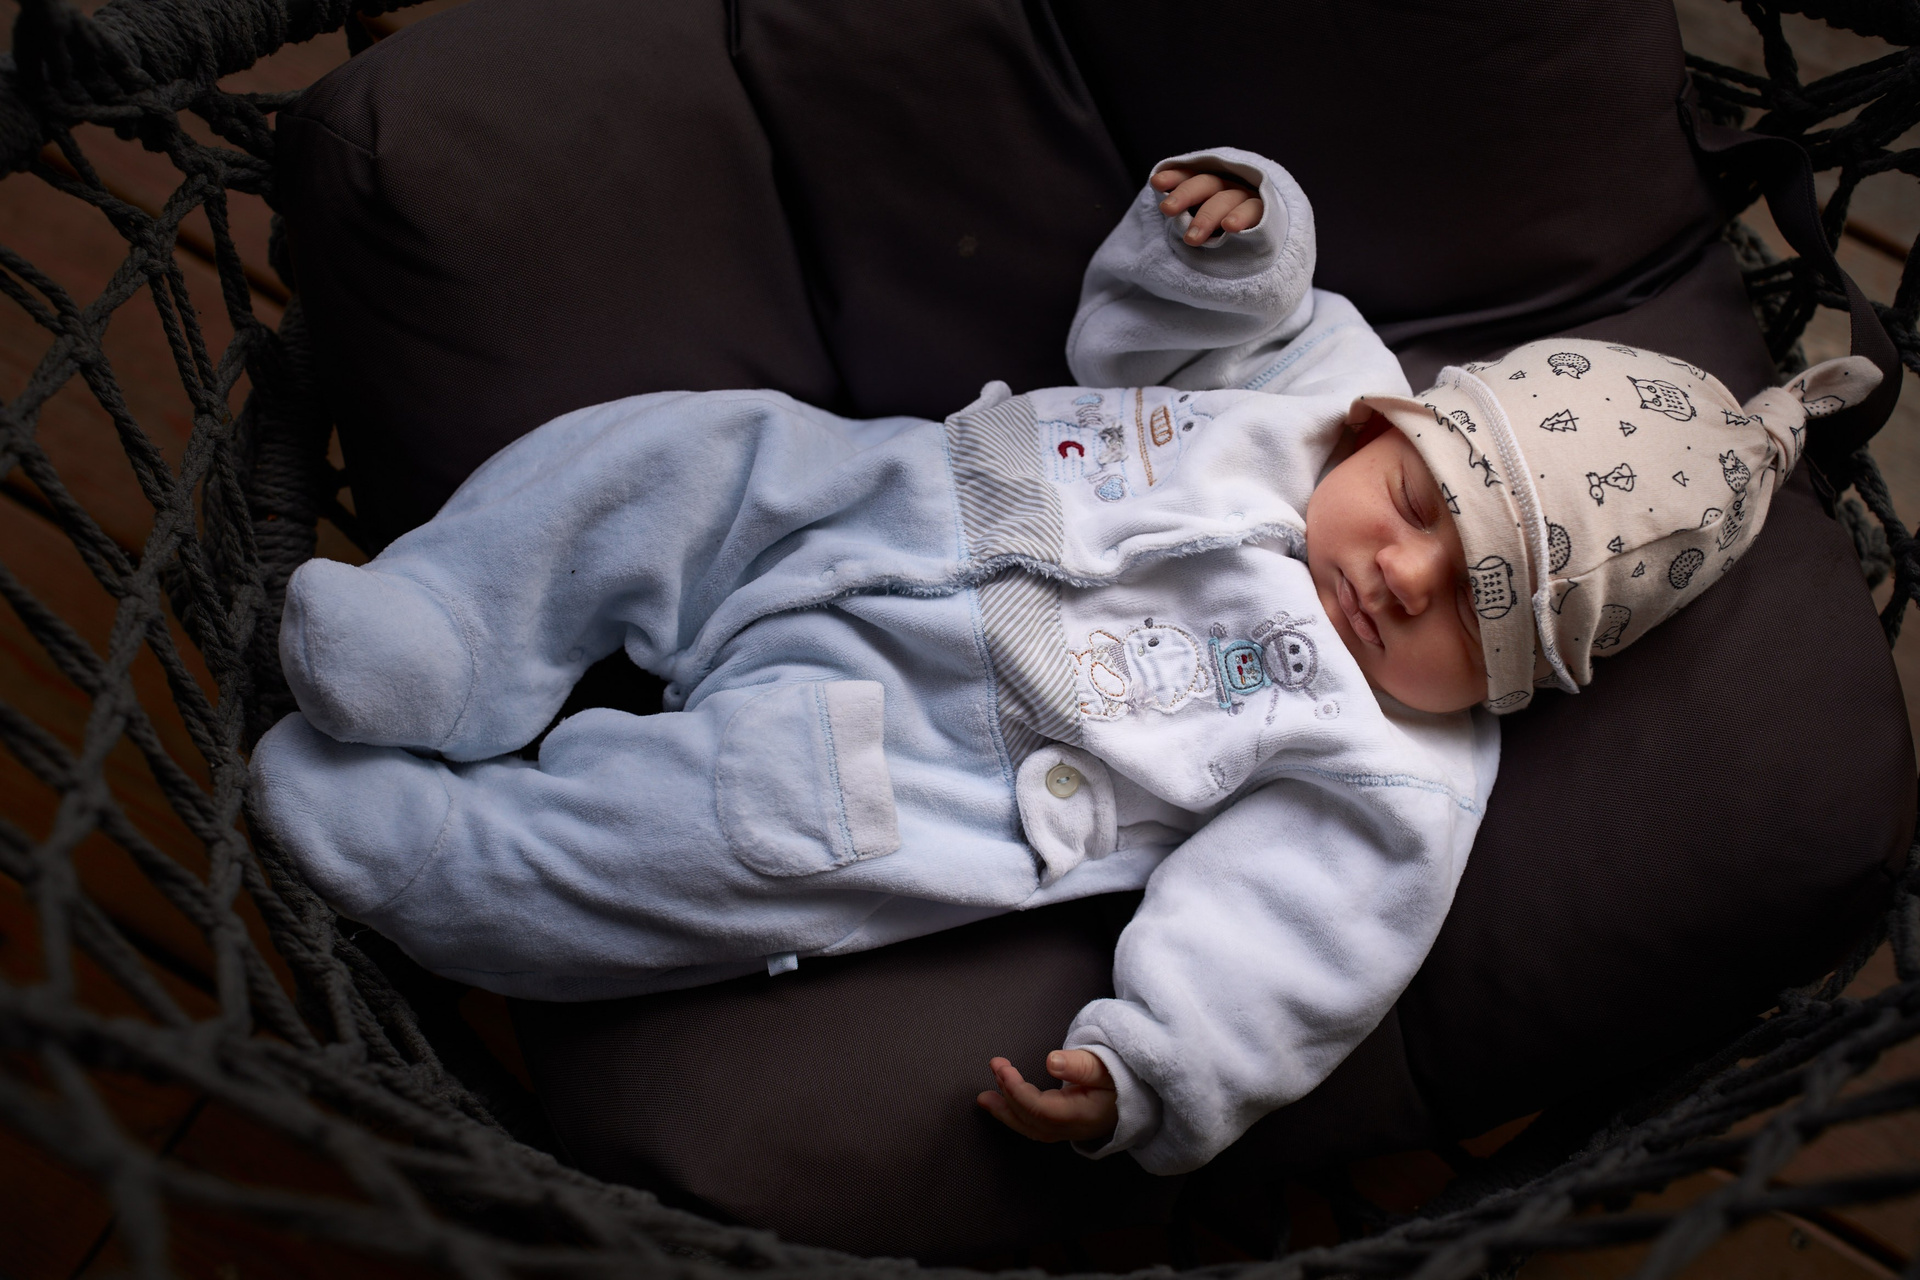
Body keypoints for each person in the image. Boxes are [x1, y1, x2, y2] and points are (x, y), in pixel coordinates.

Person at [249, 149, 1877, 1172]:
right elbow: (1146, 337)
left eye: (1474, 608)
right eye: (1415, 505)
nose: (1400, 575)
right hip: (873, 499)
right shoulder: (1314, 381)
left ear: (1516, 684)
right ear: (1391, 424)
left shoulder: (1409, 774)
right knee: (674, 461)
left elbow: (1293, 939)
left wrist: (1156, 1069)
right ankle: (449, 632)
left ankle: (439, 858)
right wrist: (1233, 239)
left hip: (925, 774)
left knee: (692, 861)